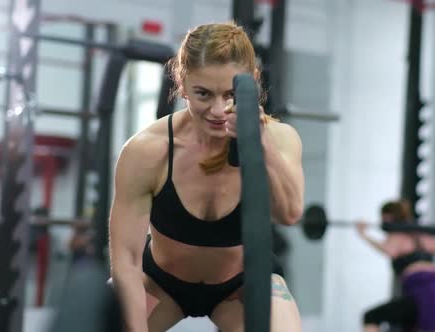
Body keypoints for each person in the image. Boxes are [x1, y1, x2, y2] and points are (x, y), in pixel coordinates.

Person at [108, 21, 305, 332]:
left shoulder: (280, 139)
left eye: (230, 94)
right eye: (203, 94)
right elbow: (127, 259)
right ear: (182, 83)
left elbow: (289, 213)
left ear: (250, 83)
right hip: (160, 284)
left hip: (239, 288)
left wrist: (261, 144)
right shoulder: (147, 150)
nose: (217, 110)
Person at [356, 200, 435, 332]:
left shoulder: (396, 237)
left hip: (422, 293)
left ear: (388, 217)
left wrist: (364, 235)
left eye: (383, 218)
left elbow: (389, 251)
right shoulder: (425, 237)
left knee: (370, 317)